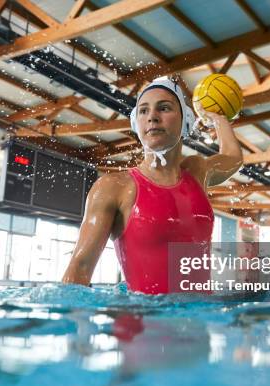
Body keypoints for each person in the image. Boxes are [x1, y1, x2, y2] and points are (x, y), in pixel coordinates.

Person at [62, 77, 243, 294]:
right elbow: (80, 267)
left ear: (186, 120)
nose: (152, 118)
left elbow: (233, 158)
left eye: (164, 108)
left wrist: (217, 117)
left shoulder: (197, 172)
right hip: (141, 323)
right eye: (143, 111)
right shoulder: (114, 187)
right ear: (135, 123)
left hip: (198, 323)